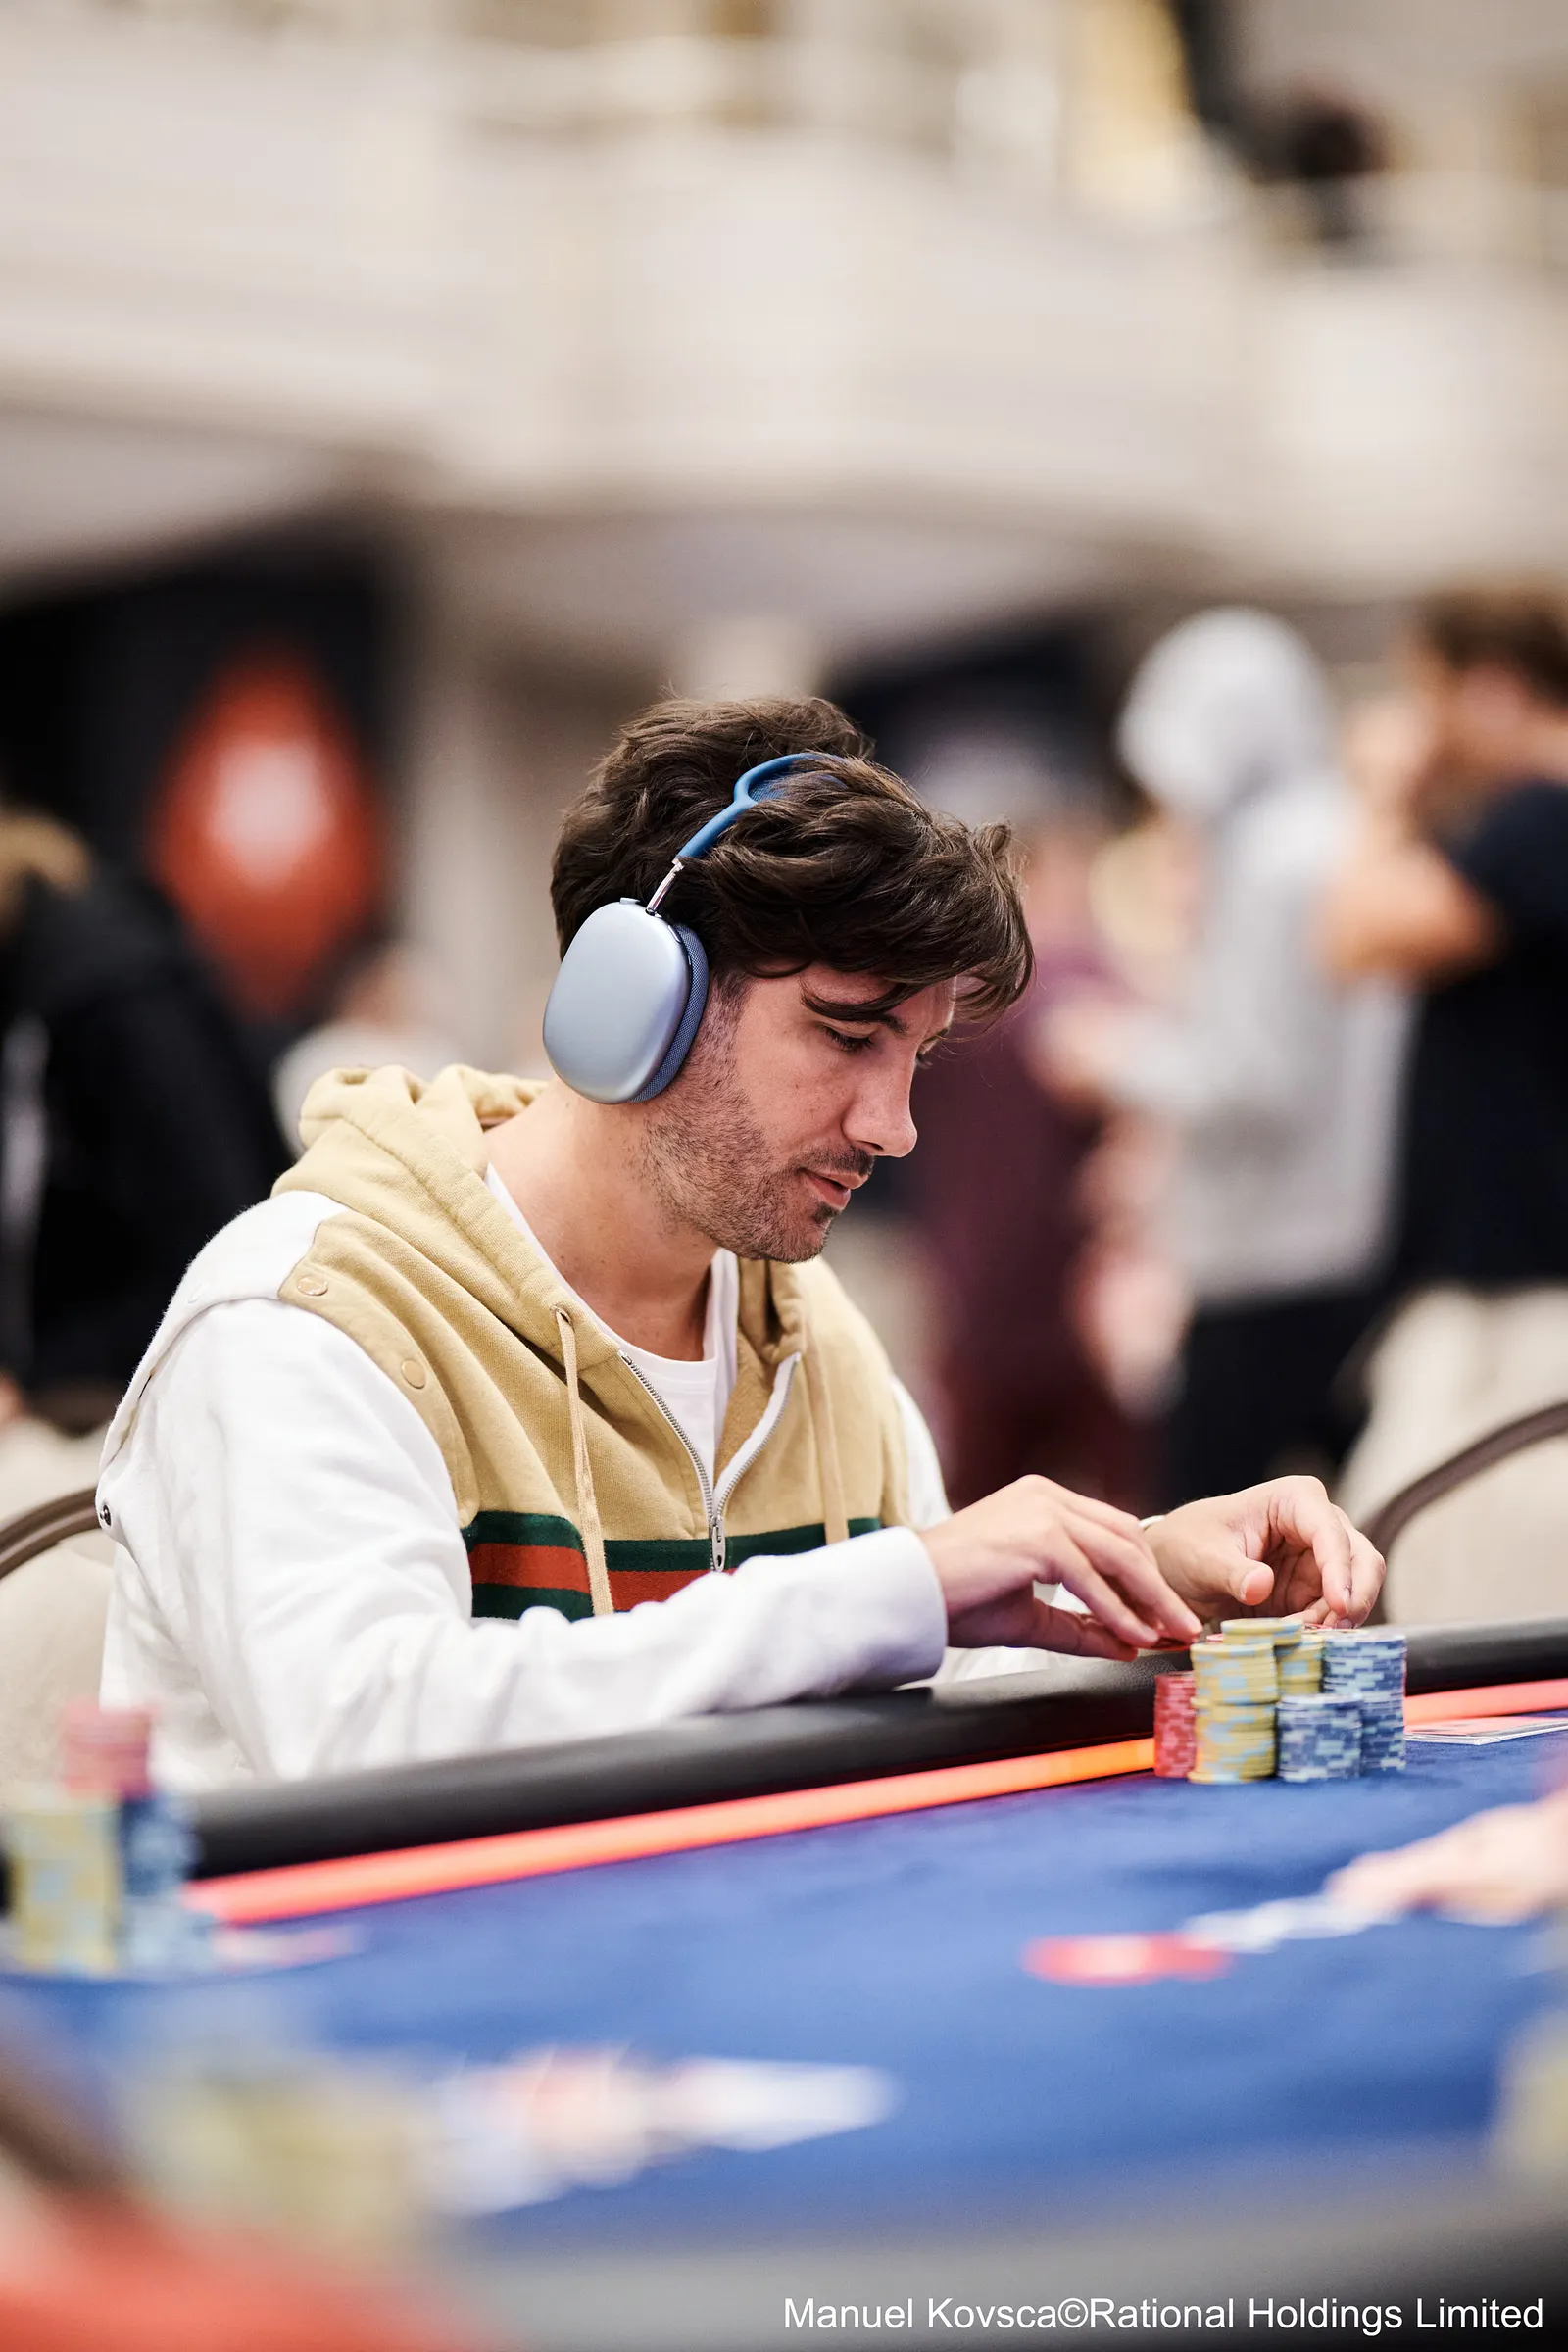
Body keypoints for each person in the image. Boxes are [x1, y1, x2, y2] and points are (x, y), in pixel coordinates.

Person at [98, 696, 1383, 1789]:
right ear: (635, 1003)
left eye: (918, 1056)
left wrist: (1133, 1585)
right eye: (846, 1033)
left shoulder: (805, 1331)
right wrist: (894, 1587)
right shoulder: (303, 1321)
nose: (894, 1128)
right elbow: (367, 1741)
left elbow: (911, 1656)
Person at [1045, 610, 1410, 1505]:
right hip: (1351, 1241)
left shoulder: (1266, 862)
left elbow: (1254, 1077)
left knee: (1204, 1524)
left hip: (1266, 1259)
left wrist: (1114, 1055)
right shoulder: (1339, 832)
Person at [1323, 586, 1568, 1622]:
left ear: (1493, 691)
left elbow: (1353, 936)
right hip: (1510, 1269)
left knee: (1414, 1550)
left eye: (1428, 697)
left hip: (1517, 1283)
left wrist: (1383, 793)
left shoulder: (1539, 816)